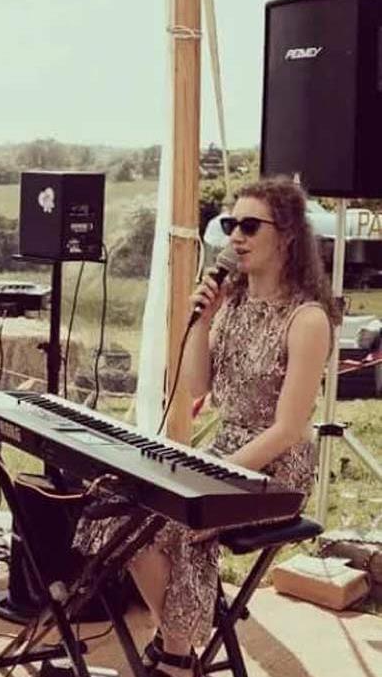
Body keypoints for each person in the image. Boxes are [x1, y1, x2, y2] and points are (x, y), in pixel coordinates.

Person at [75, 176, 335, 674]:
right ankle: (176, 647)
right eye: (230, 223)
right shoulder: (233, 304)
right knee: (114, 514)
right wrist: (199, 319)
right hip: (221, 452)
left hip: (274, 470)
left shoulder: (307, 320)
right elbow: (196, 386)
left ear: (286, 237)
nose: (236, 235)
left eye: (250, 225)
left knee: (175, 517)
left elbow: (287, 429)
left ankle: (172, 651)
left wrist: (208, 479)